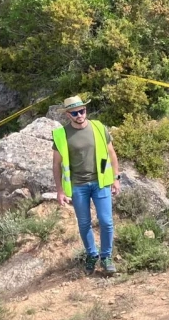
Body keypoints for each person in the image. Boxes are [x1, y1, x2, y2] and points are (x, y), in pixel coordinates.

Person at [51, 95, 122, 276]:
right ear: (68, 115)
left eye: (82, 111)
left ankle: (106, 257)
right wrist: (60, 190)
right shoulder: (61, 135)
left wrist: (116, 178)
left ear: (85, 110)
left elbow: (112, 153)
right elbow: (56, 164)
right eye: (75, 113)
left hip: (100, 183)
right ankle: (92, 254)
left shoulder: (98, 127)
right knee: (84, 224)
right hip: (78, 186)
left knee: (106, 222)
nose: (80, 115)